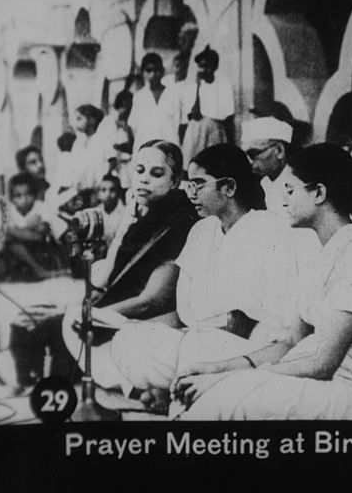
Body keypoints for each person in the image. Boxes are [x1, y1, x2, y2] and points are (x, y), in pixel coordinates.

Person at [172, 143, 352, 421]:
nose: (283, 201)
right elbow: (291, 342)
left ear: (318, 193)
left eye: (291, 191)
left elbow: (323, 363)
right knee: (207, 379)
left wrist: (230, 379)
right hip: (325, 386)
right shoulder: (322, 253)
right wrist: (217, 369)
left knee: (231, 396)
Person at [99, 144, 313, 413]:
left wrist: (199, 338)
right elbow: (183, 313)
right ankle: (180, 389)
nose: (191, 194)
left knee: (193, 350)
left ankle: (183, 394)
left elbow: (255, 322)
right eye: (188, 186)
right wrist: (135, 327)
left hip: (244, 348)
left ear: (229, 188)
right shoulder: (202, 230)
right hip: (196, 339)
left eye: (198, 185)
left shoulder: (267, 229)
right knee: (128, 340)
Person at [58, 140, 200, 390]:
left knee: (65, 328)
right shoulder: (142, 215)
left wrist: (97, 315)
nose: (144, 180)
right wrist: (126, 221)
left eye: (157, 173)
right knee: (55, 324)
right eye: (140, 170)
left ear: (176, 181)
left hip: (155, 321)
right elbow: (108, 276)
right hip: (126, 312)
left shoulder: (177, 222)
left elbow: (153, 300)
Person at [0, 172, 69, 281]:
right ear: (11, 198)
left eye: (28, 194)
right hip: (19, 248)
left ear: (35, 195)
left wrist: (17, 232)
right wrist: (29, 228)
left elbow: (41, 233)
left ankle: (47, 269)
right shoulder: (10, 212)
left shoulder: (40, 207)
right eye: (18, 196)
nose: (24, 199)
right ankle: (38, 270)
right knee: (12, 245)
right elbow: (7, 233)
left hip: (38, 246)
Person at [174, 45, 235, 168]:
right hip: (197, 131)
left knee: (216, 166)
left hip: (216, 131)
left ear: (215, 66)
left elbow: (229, 117)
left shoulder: (224, 85)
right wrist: (198, 86)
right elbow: (194, 114)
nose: (204, 70)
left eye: (208, 66)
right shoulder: (192, 87)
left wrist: (231, 142)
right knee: (195, 165)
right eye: (201, 66)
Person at [240, 116, 294, 215]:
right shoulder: (266, 182)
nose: (250, 161)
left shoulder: (297, 185)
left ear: (279, 151)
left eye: (253, 153)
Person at [127, 53, 178, 150]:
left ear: (163, 71)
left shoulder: (173, 94)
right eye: (149, 70)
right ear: (142, 72)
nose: (153, 74)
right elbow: (132, 125)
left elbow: (181, 125)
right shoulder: (139, 97)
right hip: (145, 147)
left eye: (157, 70)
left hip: (169, 147)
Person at [68, 104, 115, 191]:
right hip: (81, 188)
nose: (77, 123)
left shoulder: (102, 139)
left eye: (80, 118)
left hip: (99, 187)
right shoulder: (78, 142)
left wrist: (105, 178)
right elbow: (74, 165)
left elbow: (112, 160)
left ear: (92, 120)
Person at [95, 174, 127, 248]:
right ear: (98, 194)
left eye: (112, 190)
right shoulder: (96, 213)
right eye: (103, 190)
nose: (108, 194)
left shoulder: (126, 213)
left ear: (118, 192)